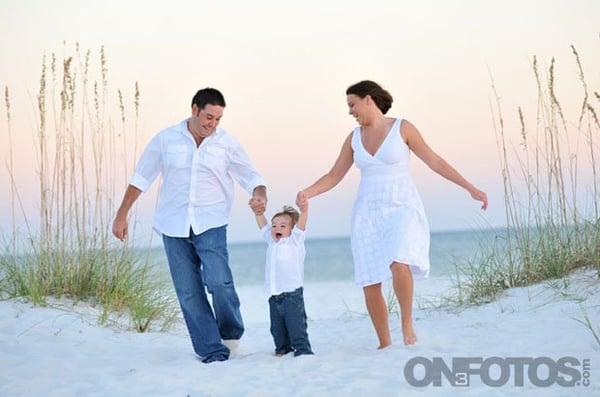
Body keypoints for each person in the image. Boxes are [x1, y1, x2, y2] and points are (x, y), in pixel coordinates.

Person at [296, 80, 488, 348]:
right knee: (370, 278)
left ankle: (407, 325)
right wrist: (309, 191)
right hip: (367, 211)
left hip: (401, 205)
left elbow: (435, 161)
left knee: (400, 262)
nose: (350, 112)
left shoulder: (402, 128)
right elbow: (334, 175)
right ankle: (384, 342)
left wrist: (470, 188)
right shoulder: (353, 139)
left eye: (352, 105)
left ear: (368, 99)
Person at [112, 88, 267, 363]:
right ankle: (211, 350)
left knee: (219, 282)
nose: (212, 124)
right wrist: (122, 213)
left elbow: (252, 175)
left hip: (211, 222)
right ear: (194, 109)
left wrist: (260, 194)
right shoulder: (165, 139)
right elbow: (141, 177)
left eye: (218, 119)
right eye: (209, 117)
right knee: (188, 291)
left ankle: (229, 334)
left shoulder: (226, 143)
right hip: (173, 225)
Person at [249, 203, 314, 357]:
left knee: (296, 327)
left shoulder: (295, 240)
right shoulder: (271, 241)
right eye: (274, 225)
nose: (277, 228)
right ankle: (283, 350)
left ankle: (303, 351)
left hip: (292, 296)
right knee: (277, 329)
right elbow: (263, 226)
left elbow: (302, 225)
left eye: (283, 226)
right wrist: (258, 213)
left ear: (292, 229)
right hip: (274, 297)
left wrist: (304, 210)